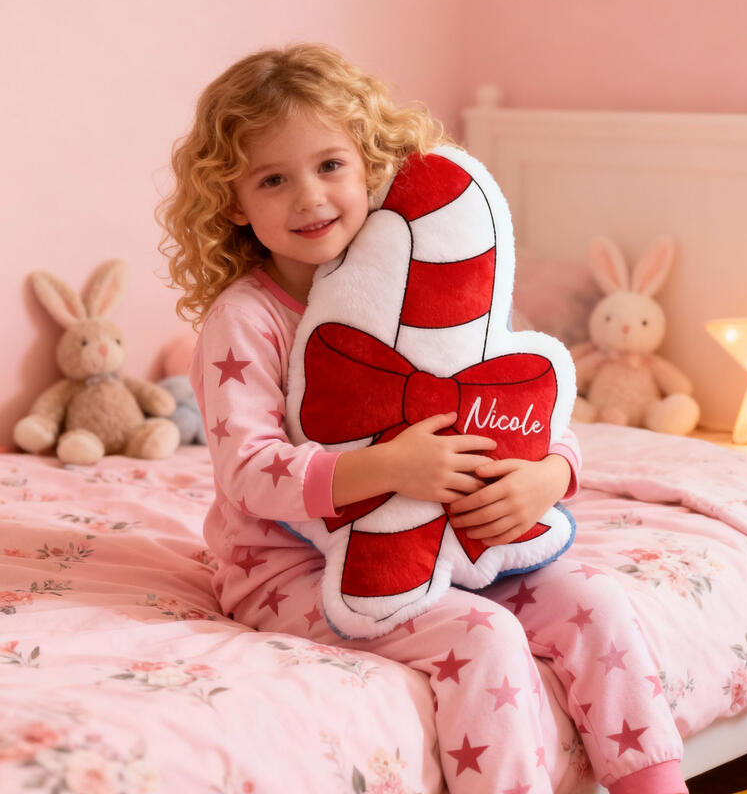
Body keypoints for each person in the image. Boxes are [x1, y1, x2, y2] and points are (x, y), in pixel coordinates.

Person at [160, 43, 688, 794]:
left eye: (330, 165)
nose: (309, 197)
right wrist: (388, 469)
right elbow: (248, 473)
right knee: (484, 637)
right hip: (293, 570)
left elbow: (510, 400)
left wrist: (549, 474)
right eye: (273, 179)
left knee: (596, 601)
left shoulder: (422, 282)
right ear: (234, 203)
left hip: (447, 544)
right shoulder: (246, 320)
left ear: (370, 163)